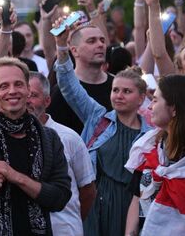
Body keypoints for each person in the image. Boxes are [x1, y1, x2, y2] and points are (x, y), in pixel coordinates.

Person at [53, 21, 151, 236]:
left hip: (135, 206)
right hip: (96, 206)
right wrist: (61, 47)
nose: (119, 95)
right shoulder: (98, 117)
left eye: (127, 91)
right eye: (115, 90)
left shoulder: (152, 133)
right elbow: (68, 84)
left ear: (141, 98)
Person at [0, 57, 71, 236]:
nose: (12, 91)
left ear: (28, 89)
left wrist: (16, 177)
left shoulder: (49, 138)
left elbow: (60, 197)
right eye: (3, 86)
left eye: (18, 84)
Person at [124, 75, 185, 235]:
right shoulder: (149, 148)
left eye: (155, 100)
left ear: (174, 108)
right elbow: (137, 199)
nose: (150, 107)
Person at [27, 71, 96, 235]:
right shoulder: (7, 137)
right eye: (24, 95)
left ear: (47, 100)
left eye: (33, 95)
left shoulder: (69, 138)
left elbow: (88, 190)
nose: (27, 101)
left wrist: (70, 221)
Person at [47, 24, 114, 135]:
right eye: (91, 41)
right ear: (74, 51)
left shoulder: (117, 86)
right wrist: (61, 44)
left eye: (102, 40)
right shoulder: (60, 91)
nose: (100, 45)